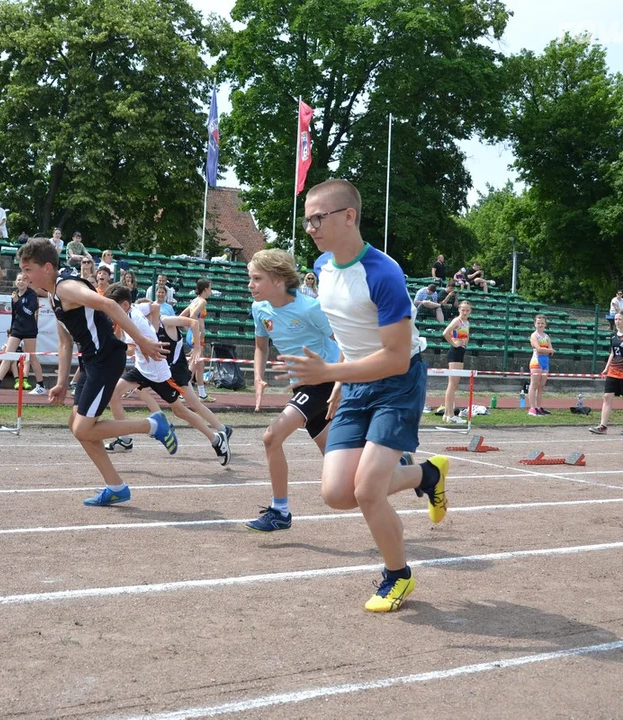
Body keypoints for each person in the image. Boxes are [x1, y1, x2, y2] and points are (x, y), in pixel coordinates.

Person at [286, 178, 448, 613]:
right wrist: (340, 380)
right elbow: (350, 331)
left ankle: (398, 575)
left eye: (317, 218)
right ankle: (426, 475)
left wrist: (329, 372)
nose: (311, 228)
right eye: (307, 221)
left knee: (368, 491)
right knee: (338, 493)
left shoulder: (383, 273)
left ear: (349, 216)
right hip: (355, 381)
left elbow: (395, 358)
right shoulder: (322, 268)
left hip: (397, 382)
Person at [15, 238, 177, 507]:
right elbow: (65, 341)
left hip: (105, 360)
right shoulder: (54, 293)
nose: (24, 275)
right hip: (91, 362)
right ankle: (116, 486)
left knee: (83, 427)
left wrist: (142, 341)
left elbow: (110, 306)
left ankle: (153, 424)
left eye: (27, 269)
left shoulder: (67, 288)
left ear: (46, 267)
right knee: (76, 426)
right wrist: (61, 383)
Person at [246, 249, 341, 533]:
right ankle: (419, 473)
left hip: (324, 381)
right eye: (249, 278)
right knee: (339, 461)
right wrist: (259, 378)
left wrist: (340, 382)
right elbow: (261, 346)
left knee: (271, 437)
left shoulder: (311, 309)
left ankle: (280, 511)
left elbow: (346, 344)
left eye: (256, 278)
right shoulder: (259, 309)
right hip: (303, 386)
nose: (250, 285)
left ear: (278, 280)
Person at [103, 287, 231, 464]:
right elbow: (155, 307)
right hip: (143, 369)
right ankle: (124, 440)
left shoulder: (134, 320)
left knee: (180, 411)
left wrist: (110, 347)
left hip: (159, 373)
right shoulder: (136, 308)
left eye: (112, 306)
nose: (110, 310)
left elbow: (130, 348)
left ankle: (216, 439)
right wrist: (154, 330)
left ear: (124, 305)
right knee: (114, 394)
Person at [0, 273, 47, 395]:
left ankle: (41, 385)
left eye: (24, 280)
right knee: (7, 355)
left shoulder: (32, 295)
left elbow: (29, 312)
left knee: (31, 357)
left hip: (29, 329)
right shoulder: (14, 295)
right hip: (17, 329)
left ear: (28, 283)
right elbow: (14, 314)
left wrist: (19, 302)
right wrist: (12, 328)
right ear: (16, 282)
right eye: (19, 280)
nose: (21, 282)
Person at [589, 309, 623, 435]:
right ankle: (603, 426)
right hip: (613, 371)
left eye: (620, 319)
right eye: (616, 319)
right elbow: (612, 353)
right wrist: (606, 368)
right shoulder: (613, 336)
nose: (617, 321)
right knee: (607, 397)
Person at [179, 278, 214, 401]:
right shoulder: (203, 301)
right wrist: (200, 331)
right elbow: (193, 316)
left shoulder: (194, 301)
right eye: (210, 288)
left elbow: (181, 316)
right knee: (194, 364)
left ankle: (202, 394)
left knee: (200, 365)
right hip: (197, 335)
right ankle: (182, 392)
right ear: (205, 289)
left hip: (192, 333)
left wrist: (188, 328)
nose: (211, 290)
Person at [440, 301, 471, 423]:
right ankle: (450, 414)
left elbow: (465, 336)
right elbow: (445, 333)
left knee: (454, 384)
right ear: (459, 310)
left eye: (467, 310)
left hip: (460, 352)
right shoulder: (457, 321)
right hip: (455, 352)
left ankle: (447, 414)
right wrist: (454, 343)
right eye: (463, 310)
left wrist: (464, 342)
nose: (465, 312)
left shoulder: (466, 322)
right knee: (452, 384)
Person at [527, 314, 553, 416]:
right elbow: (538, 349)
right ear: (535, 324)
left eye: (542, 323)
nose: (540, 325)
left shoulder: (546, 336)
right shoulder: (534, 336)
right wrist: (547, 350)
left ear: (545, 324)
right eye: (538, 323)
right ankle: (532, 408)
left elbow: (551, 351)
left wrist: (545, 350)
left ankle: (538, 407)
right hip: (536, 361)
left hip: (545, 362)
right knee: (534, 384)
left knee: (541, 386)